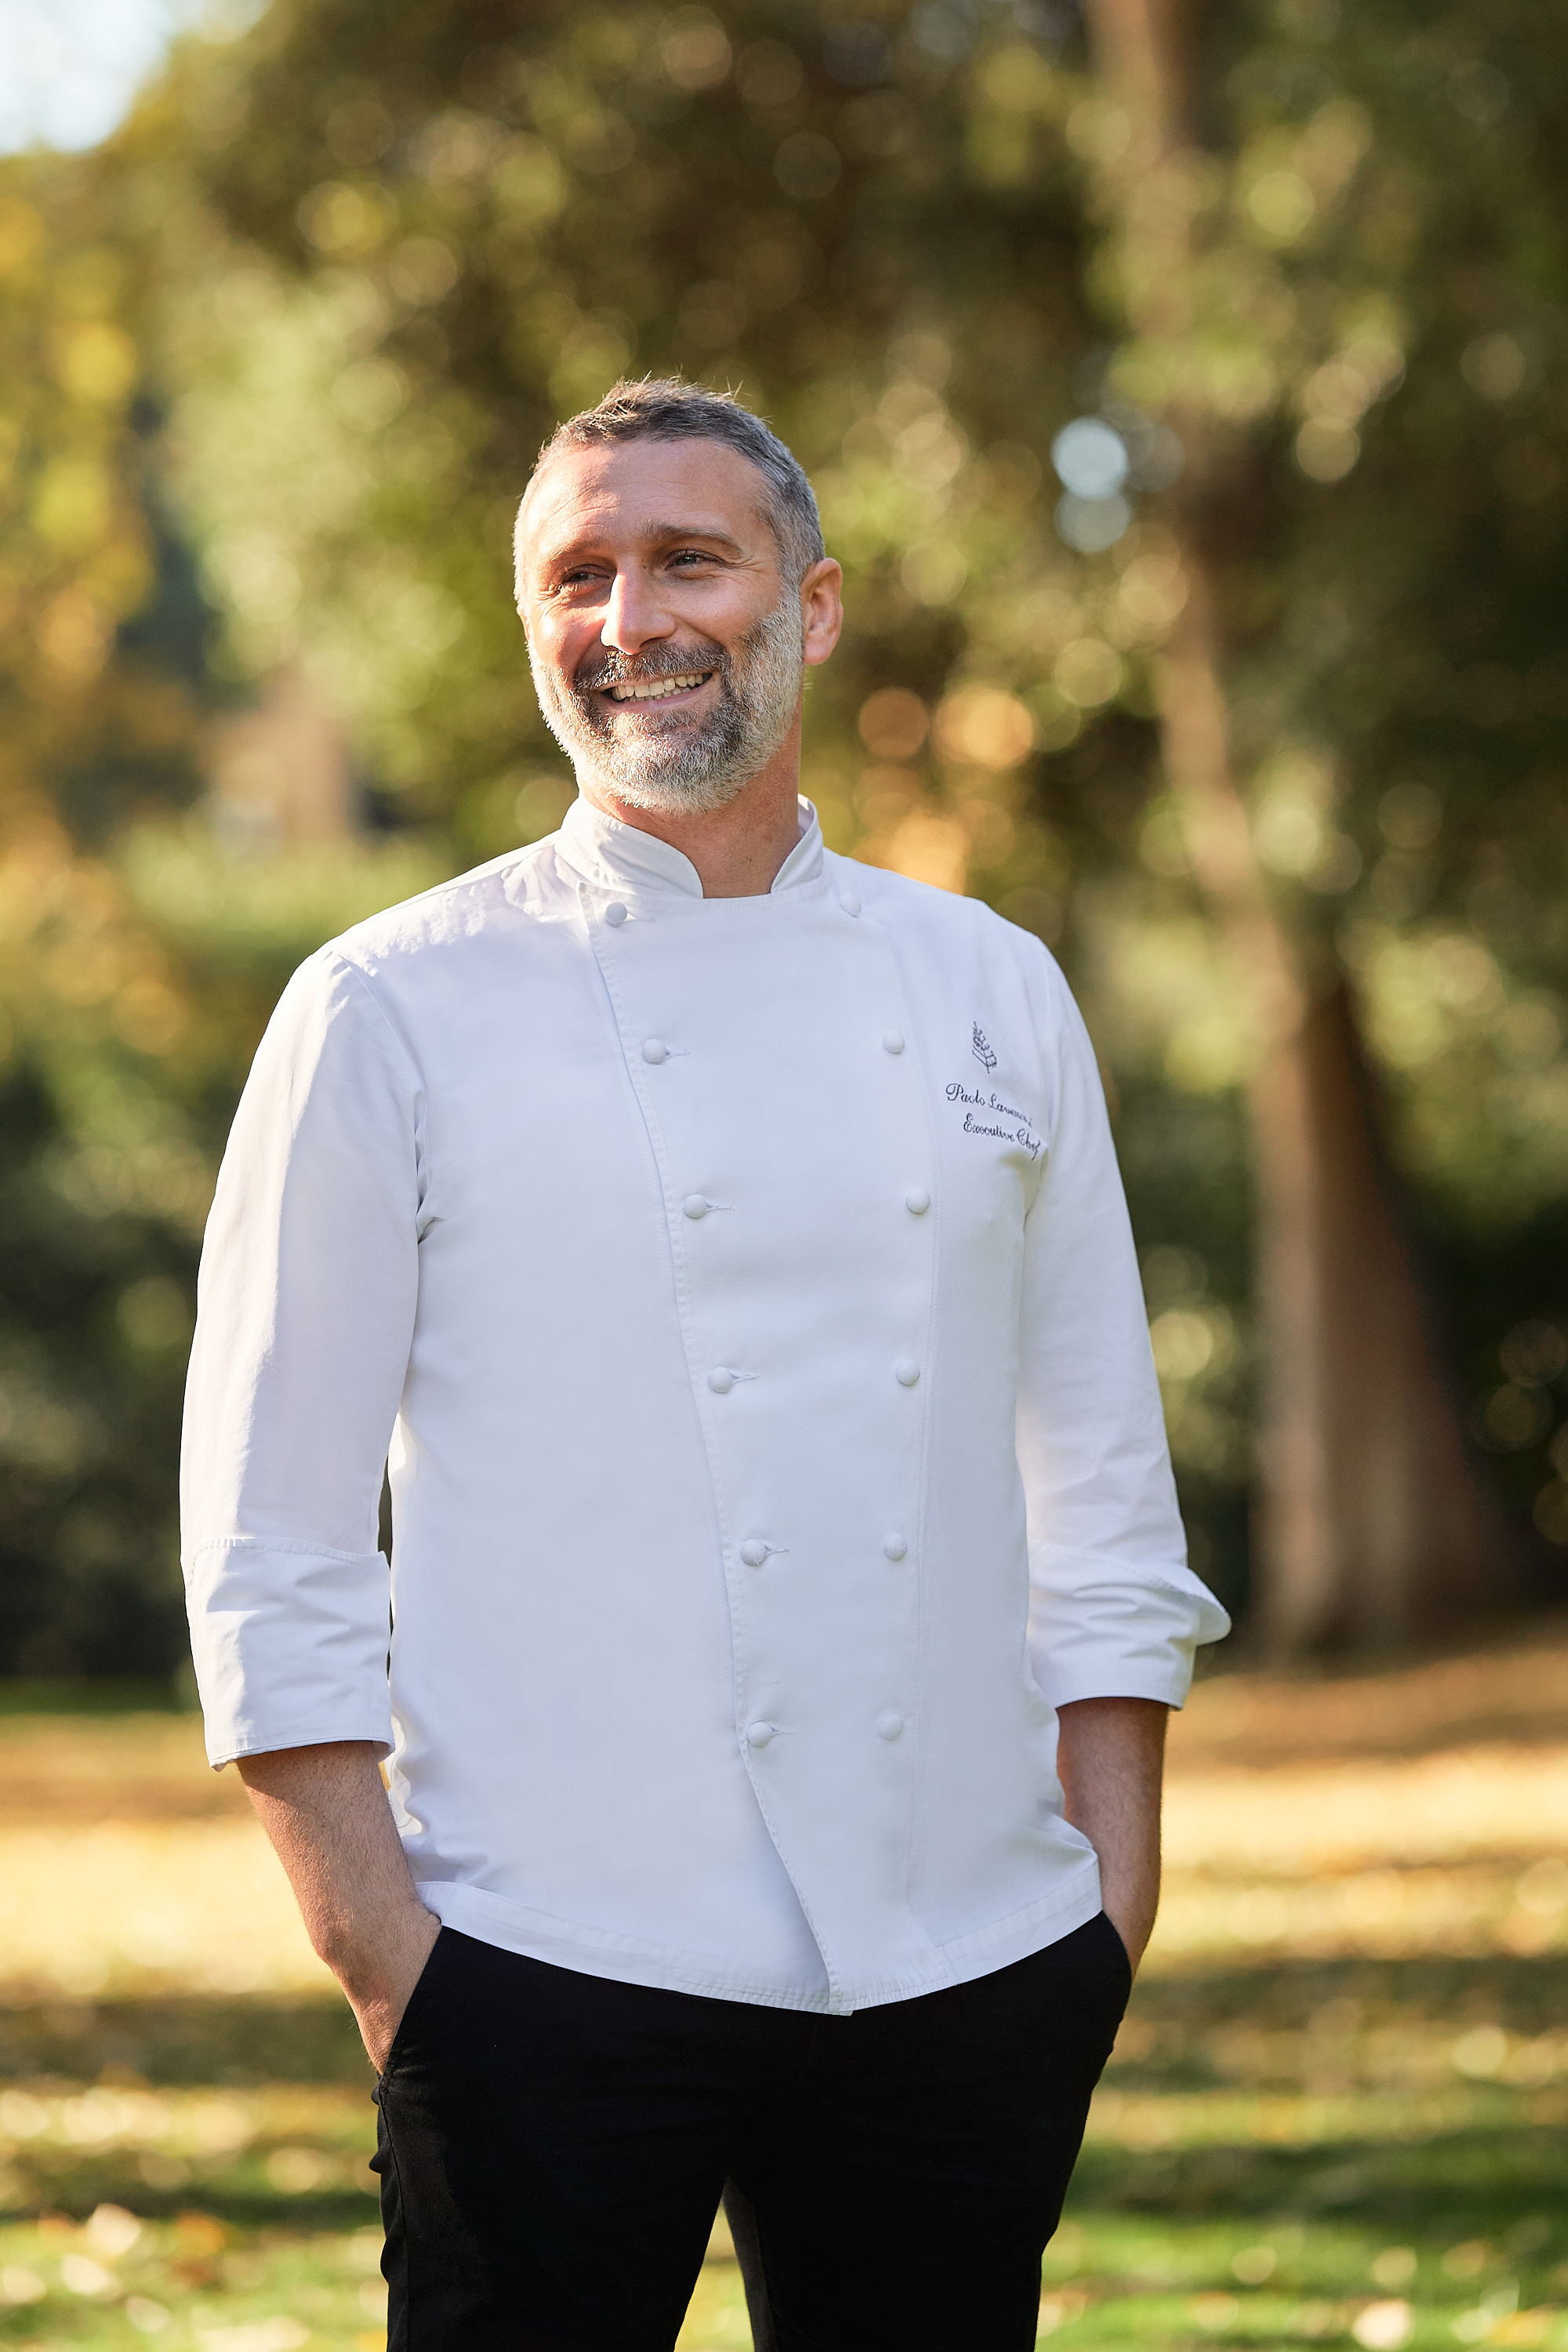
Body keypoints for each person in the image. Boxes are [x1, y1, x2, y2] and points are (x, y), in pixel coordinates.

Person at [181, 376, 1228, 2352]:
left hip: (965, 1963)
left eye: (688, 561)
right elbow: (270, 1539)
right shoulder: (386, 1008)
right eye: (577, 577)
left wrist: (1102, 1916)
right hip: (539, 1964)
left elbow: (1099, 1479)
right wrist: (388, 1954)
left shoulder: (988, 982)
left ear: (810, 607)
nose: (629, 619)